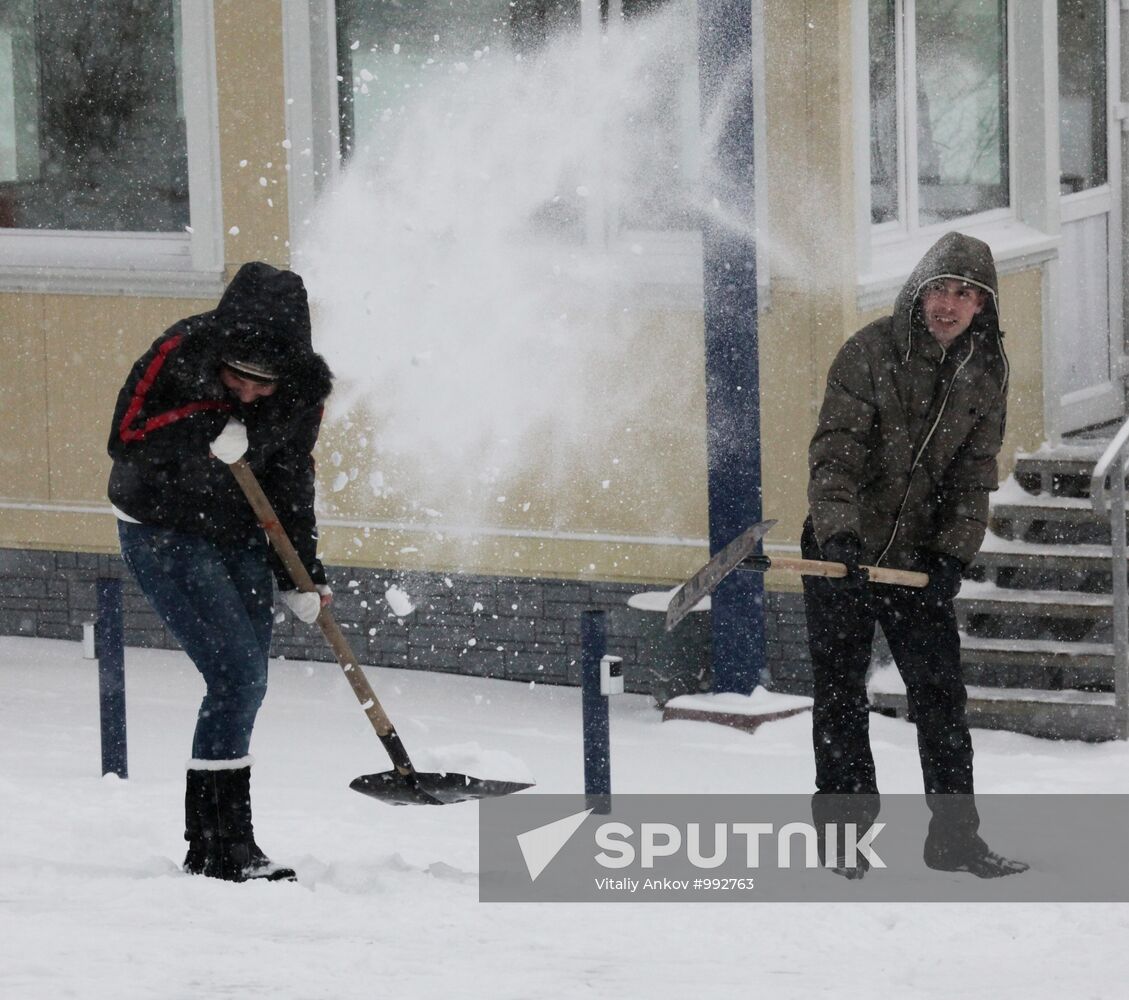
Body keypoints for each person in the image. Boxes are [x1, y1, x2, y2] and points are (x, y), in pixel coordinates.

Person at [803, 231, 1027, 879]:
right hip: (838, 554)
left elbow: (972, 473)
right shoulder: (869, 352)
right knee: (841, 697)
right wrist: (839, 535)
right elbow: (836, 452)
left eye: (963, 294)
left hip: (915, 564)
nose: (947, 305)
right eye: (938, 289)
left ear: (981, 306)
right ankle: (844, 840)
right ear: (918, 291)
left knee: (939, 698)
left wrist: (951, 557)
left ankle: (953, 839)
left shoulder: (986, 371)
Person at [107, 261, 334, 883]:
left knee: (248, 680)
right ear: (223, 355)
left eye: (266, 385)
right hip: (164, 526)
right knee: (236, 676)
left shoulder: (302, 392)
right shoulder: (179, 351)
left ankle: (224, 839)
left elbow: (290, 477)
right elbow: (125, 438)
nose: (251, 395)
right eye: (240, 379)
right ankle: (217, 846)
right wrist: (206, 424)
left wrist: (301, 572)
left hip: (236, 529)